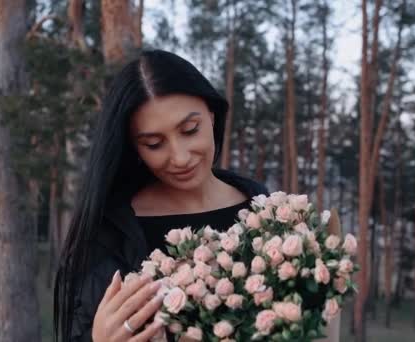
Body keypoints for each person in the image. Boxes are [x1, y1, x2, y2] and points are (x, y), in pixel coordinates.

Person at [53, 49, 268, 342]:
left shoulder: (264, 210)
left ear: (212, 115)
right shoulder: (109, 230)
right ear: (134, 148)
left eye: (190, 130)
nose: (180, 158)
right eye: (154, 144)